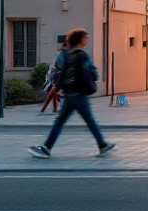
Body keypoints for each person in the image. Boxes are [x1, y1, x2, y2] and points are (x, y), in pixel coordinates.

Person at [30, 29, 115, 159]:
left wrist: (59, 88)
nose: (87, 41)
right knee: (89, 120)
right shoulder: (82, 55)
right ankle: (102, 145)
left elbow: (63, 74)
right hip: (79, 95)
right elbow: (89, 74)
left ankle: (47, 147)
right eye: (85, 39)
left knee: (61, 121)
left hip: (70, 94)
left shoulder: (67, 55)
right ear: (81, 41)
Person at [39, 42, 66, 114]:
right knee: (53, 92)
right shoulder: (62, 54)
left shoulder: (60, 53)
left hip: (53, 74)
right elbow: (57, 64)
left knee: (53, 92)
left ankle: (53, 109)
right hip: (56, 75)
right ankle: (45, 109)